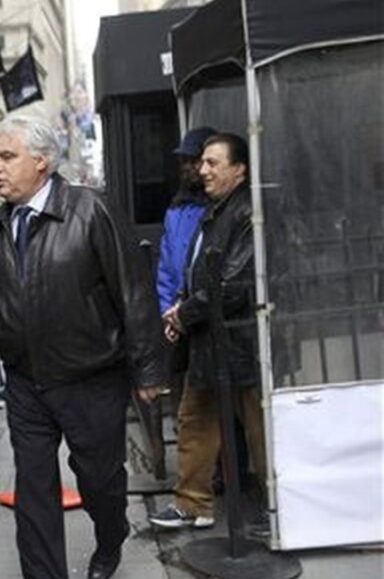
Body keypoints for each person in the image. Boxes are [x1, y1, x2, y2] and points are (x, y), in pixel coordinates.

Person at [0, 116, 167, 579]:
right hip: (27, 385)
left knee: (100, 484)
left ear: (43, 161)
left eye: (7, 157)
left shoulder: (92, 211)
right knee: (33, 492)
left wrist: (149, 371)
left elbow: (133, 290)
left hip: (92, 379)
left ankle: (111, 538)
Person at [151, 133, 268, 537]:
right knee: (195, 421)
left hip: (244, 342)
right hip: (210, 338)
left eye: (213, 163)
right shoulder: (214, 211)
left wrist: (184, 312)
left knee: (259, 427)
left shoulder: (246, 212)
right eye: (202, 163)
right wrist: (181, 308)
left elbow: (234, 283)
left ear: (240, 170)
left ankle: (278, 506)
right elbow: (195, 268)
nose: (203, 170)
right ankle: (192, 504)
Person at [157, 127, 216, 319]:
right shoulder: (176, 211)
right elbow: (166, 270)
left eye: (194, 160)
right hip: (179, 312)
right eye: (184, 161)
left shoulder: (220, 208)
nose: (187, 167)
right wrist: (166, 312)